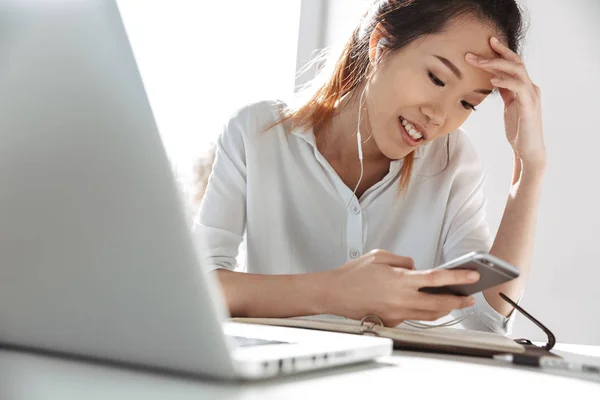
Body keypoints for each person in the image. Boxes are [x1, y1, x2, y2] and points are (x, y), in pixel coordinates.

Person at [195, 0, 546, 333]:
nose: (439, 116)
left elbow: (486, 318)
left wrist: (530, 168)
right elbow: (196, 286)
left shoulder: (453, 161)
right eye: (437, 78)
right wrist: (332, 292)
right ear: (381, 44)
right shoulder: (255, 133)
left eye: (467, 103)